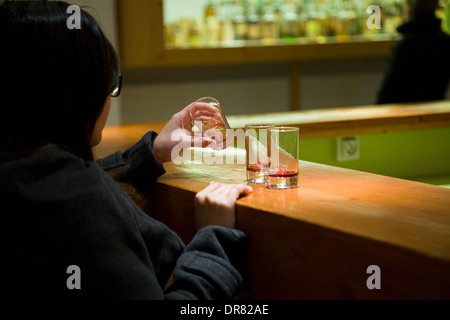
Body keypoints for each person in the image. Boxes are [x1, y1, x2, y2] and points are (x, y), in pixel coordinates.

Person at [0, 0, 252, 299]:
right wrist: (213, 239)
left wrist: (151, 153)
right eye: (109, 85)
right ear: (81, 95)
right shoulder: (79, 203)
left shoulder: (19, 172)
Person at [376, 0, 450, 104]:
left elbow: (389, 93)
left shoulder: (406, 45)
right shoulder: (445, 42)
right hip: (434, 111)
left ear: (409, 8)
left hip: (403, 113)